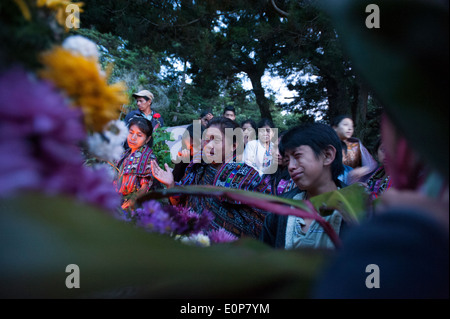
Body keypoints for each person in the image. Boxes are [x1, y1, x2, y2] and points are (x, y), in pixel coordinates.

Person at [151, 117, 274, 238]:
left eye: (215, 140)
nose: (209, 145)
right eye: (206, 140)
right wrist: (171, 185)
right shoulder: (197, 167)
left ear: (234, 146)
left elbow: (265, 222)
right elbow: (182, 206)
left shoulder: (248, 177)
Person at [260, 123, 346, 249]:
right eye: (288, 160)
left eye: (297, 156)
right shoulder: (279, 210)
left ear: (327, 155)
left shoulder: (359, 210)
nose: (291, 167)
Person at [114, 117, 161, 211]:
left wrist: (133, 199)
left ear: (147, 139)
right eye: (131, 133)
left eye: (139, 135)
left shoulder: (149, 158)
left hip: (130, 205)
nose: (133, 138)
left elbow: (145, 186)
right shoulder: (125, 153)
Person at [331, 115, 377, 184]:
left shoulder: (356, 144)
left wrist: (362, 170)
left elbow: (372, 165)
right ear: (335, 128)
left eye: (352, 126)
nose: (350, 128)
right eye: (345, 125)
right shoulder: (328, 145)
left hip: (353, 185)